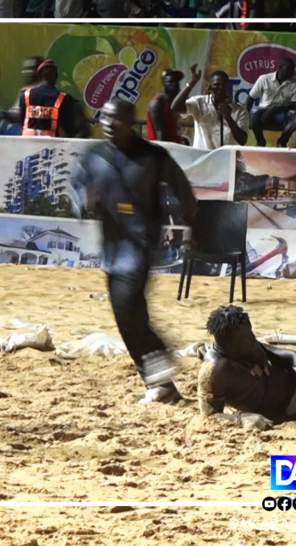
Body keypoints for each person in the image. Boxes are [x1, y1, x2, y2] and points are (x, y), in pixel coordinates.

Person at [70, 98, 198, 404]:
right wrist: (84, 204)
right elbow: (76, 191)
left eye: (117, 120)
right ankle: (161, 384)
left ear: (131, 121)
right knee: (127, 317)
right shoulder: (95, 154)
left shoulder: (152, 156)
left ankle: (161, 361)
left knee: (129, 307)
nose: (109, 125)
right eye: (105, 119)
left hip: (141, 244)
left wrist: (191, 221)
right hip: (111, 248)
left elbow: (183, 190)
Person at [171, 65, 248, 150]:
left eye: (224, 85)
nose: (221, 88)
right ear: (210, 87)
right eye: (217, 85)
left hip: (226, 159)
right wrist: (191, 83)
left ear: (228, 87)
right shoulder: (199, 103)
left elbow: (242, 141)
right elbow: (175, 107)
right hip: (202, 157)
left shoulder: (239, 110)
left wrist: (228, 118)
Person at [245, 58, 296, 147]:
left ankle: (282, 141)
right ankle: (260, 141)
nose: (292, 72)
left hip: (282, 113)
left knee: (293, 115)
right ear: (279, 68)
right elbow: (250, 98)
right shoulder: (264, 79)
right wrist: (246, 118)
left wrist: (275, 109)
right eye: (288, 69)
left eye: (292, 69)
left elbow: (295, 104)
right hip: (263, 111)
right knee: (254, 112)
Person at [18, 59, 76, 138]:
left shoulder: (25, 95)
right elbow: (68, 127)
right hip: (49, 145)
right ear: (56, 76)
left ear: (39, 76)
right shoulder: (63, 98)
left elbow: (22, 120)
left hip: (27, 143)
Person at [0, 56, 44, 136]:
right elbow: (16, 111)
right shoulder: (24, 90)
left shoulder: (44, 91)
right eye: (26, 69)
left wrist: (16, 118)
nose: (27, 72)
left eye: (31, 68)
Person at [146, 68, 186, 144]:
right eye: (170, 82)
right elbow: (159, 131)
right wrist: (164, 152)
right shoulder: (157, 103)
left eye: (177, 82)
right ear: (163, 82)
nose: (175, 84)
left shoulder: (173, 102)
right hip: (162, 149)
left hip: (176, 147)